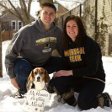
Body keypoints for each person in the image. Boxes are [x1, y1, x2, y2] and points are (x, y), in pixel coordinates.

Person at [48, 15, 112, 110]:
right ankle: (70, 99)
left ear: (80, 28)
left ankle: (104, 99)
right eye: (68, 26)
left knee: (84, 104)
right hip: (78, 78)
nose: (71, 29)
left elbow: (92, 69)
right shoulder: (65, 45)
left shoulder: (90, 44)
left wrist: (69, 72)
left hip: (95, 79)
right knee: (57, 82)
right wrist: (54, 81)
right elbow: (65, 64)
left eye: (74, 26)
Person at [5, 3, 63, 97]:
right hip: (27, 64)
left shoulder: (58, 32)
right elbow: (10, 53)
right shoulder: (26, 31)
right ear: (40, 13)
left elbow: (64, 51)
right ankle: (24, 92)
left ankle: (51, 86)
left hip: (44, 64)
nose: (48, 16)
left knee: (62, 62)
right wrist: (11, 76)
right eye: (45, 13)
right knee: (20, 66)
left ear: (55, 15)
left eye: (51, 13)